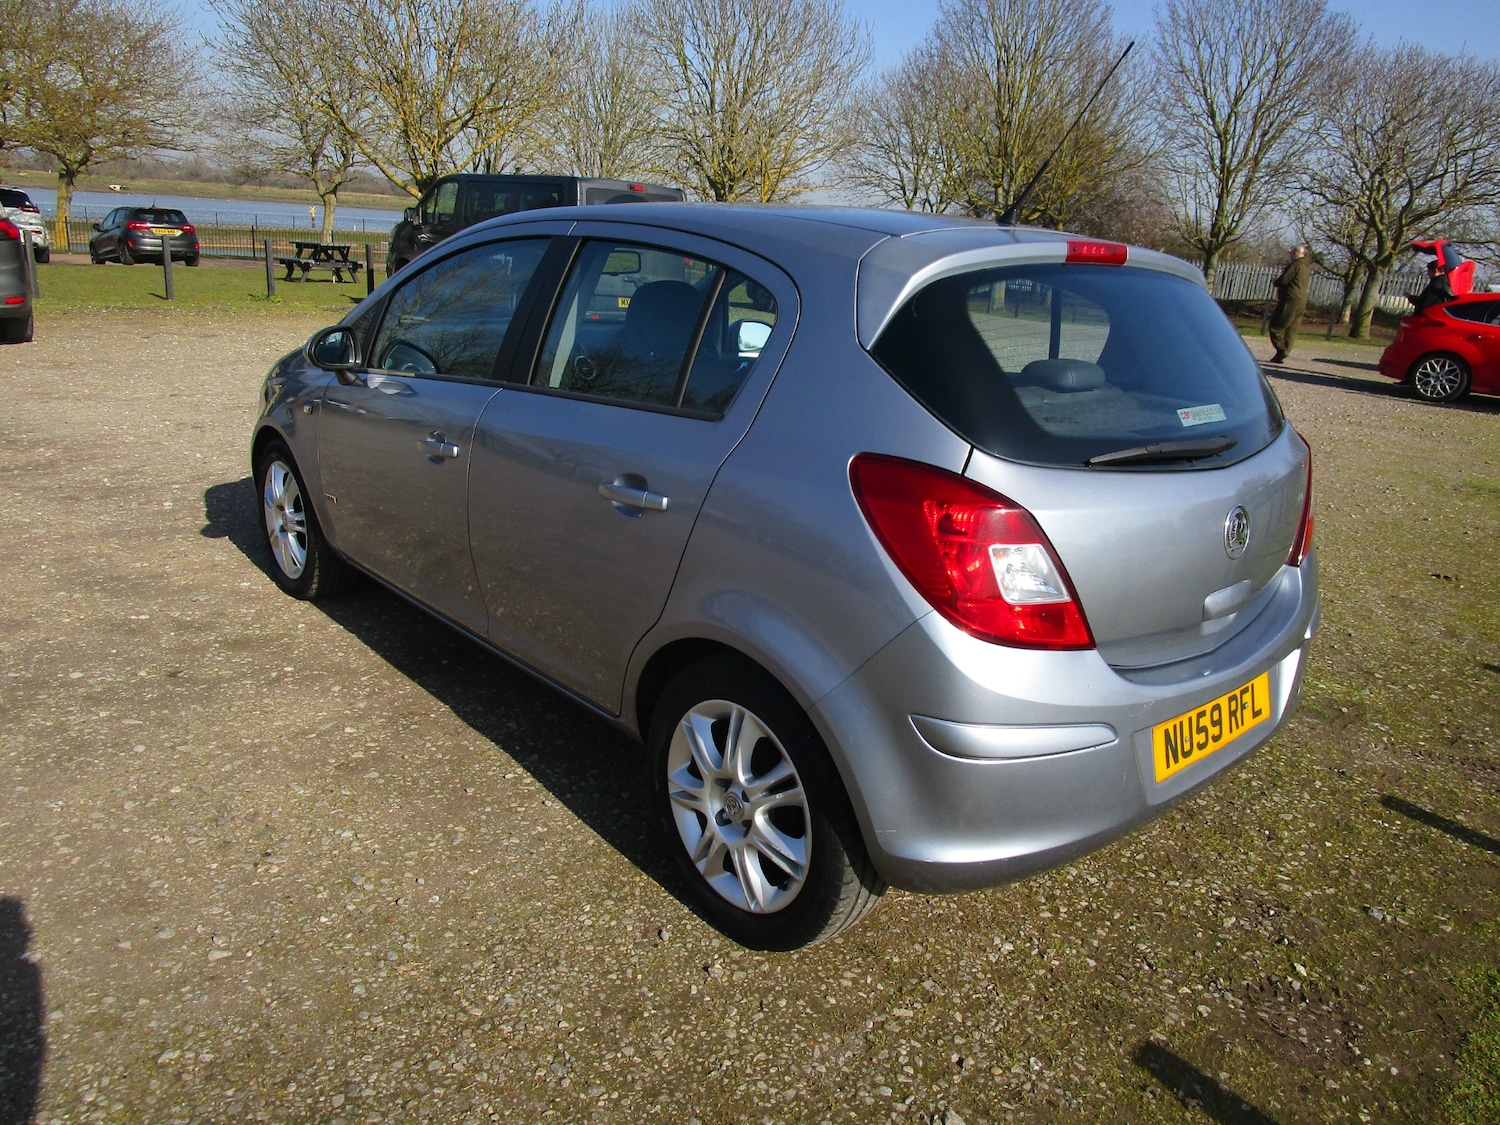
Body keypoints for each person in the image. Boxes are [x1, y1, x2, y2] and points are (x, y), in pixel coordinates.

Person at [1267, 244, 1311, 364]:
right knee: (1292, 328)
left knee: (1276, 326)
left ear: (1296, 253)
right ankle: (1284, 350)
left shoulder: (1296, 265)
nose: (1290, 255)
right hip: (1301, 300)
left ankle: (1281, 350)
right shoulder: (1307, 266)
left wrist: (1275, 282)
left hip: (1290, 299)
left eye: (1292, 252)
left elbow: (1285, 279)